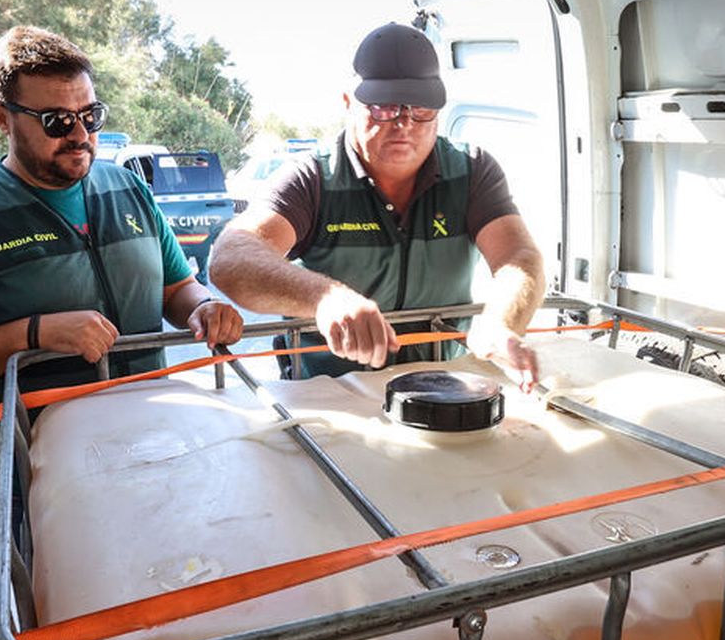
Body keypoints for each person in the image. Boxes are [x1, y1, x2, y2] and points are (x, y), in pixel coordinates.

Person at [0, 26, 243, 523]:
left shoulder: (128, 188)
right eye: (56, 121)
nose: (79, 135)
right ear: (2, 118)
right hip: (37, 479)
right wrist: (32, 334)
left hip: (155, 445)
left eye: (90, 116)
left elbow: (176, 285)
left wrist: (204, 306)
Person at [209, 22, 544, 389]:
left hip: (443, 391)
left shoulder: (472, 171)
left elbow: (518, 257)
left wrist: (502, 322)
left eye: (421, 108)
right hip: (329, 398)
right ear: (348, 103)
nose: (404, 123)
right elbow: (231, 257)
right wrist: (326, 298)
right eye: (384, 107)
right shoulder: (313, 177)